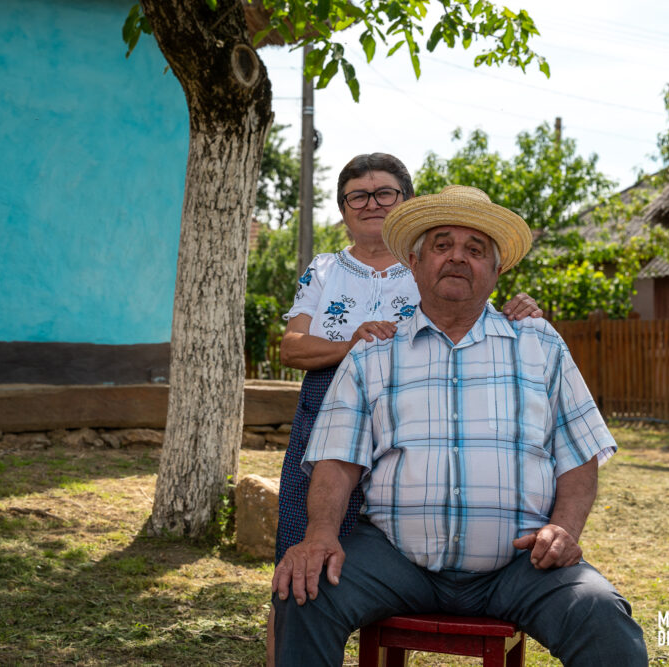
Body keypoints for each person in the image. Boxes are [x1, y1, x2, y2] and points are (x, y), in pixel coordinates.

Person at [271, 185, 647, 666]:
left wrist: (563, 528)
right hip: (394, 559)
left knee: (602, 617)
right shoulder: (372, 354)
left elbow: (579, 455)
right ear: (414, 260)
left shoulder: (539, 345)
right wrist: (320, 534)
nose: (457, 258)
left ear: (496, 269)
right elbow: (336, 463)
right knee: (305, 592)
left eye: (475, 250)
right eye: (442, 244)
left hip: (520, 564)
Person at [267, 155, 541, 664]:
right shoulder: (324, 269)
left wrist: (519, 308)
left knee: (394, 545)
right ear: (344, 210)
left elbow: (471, 317)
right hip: (324, 414)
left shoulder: (431, 260)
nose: (371, 204)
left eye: (385, 193)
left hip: (407, 423)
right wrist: (354, 343)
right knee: (301, 552)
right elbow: (291, 348)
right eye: (358, 196)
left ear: (406, 204)